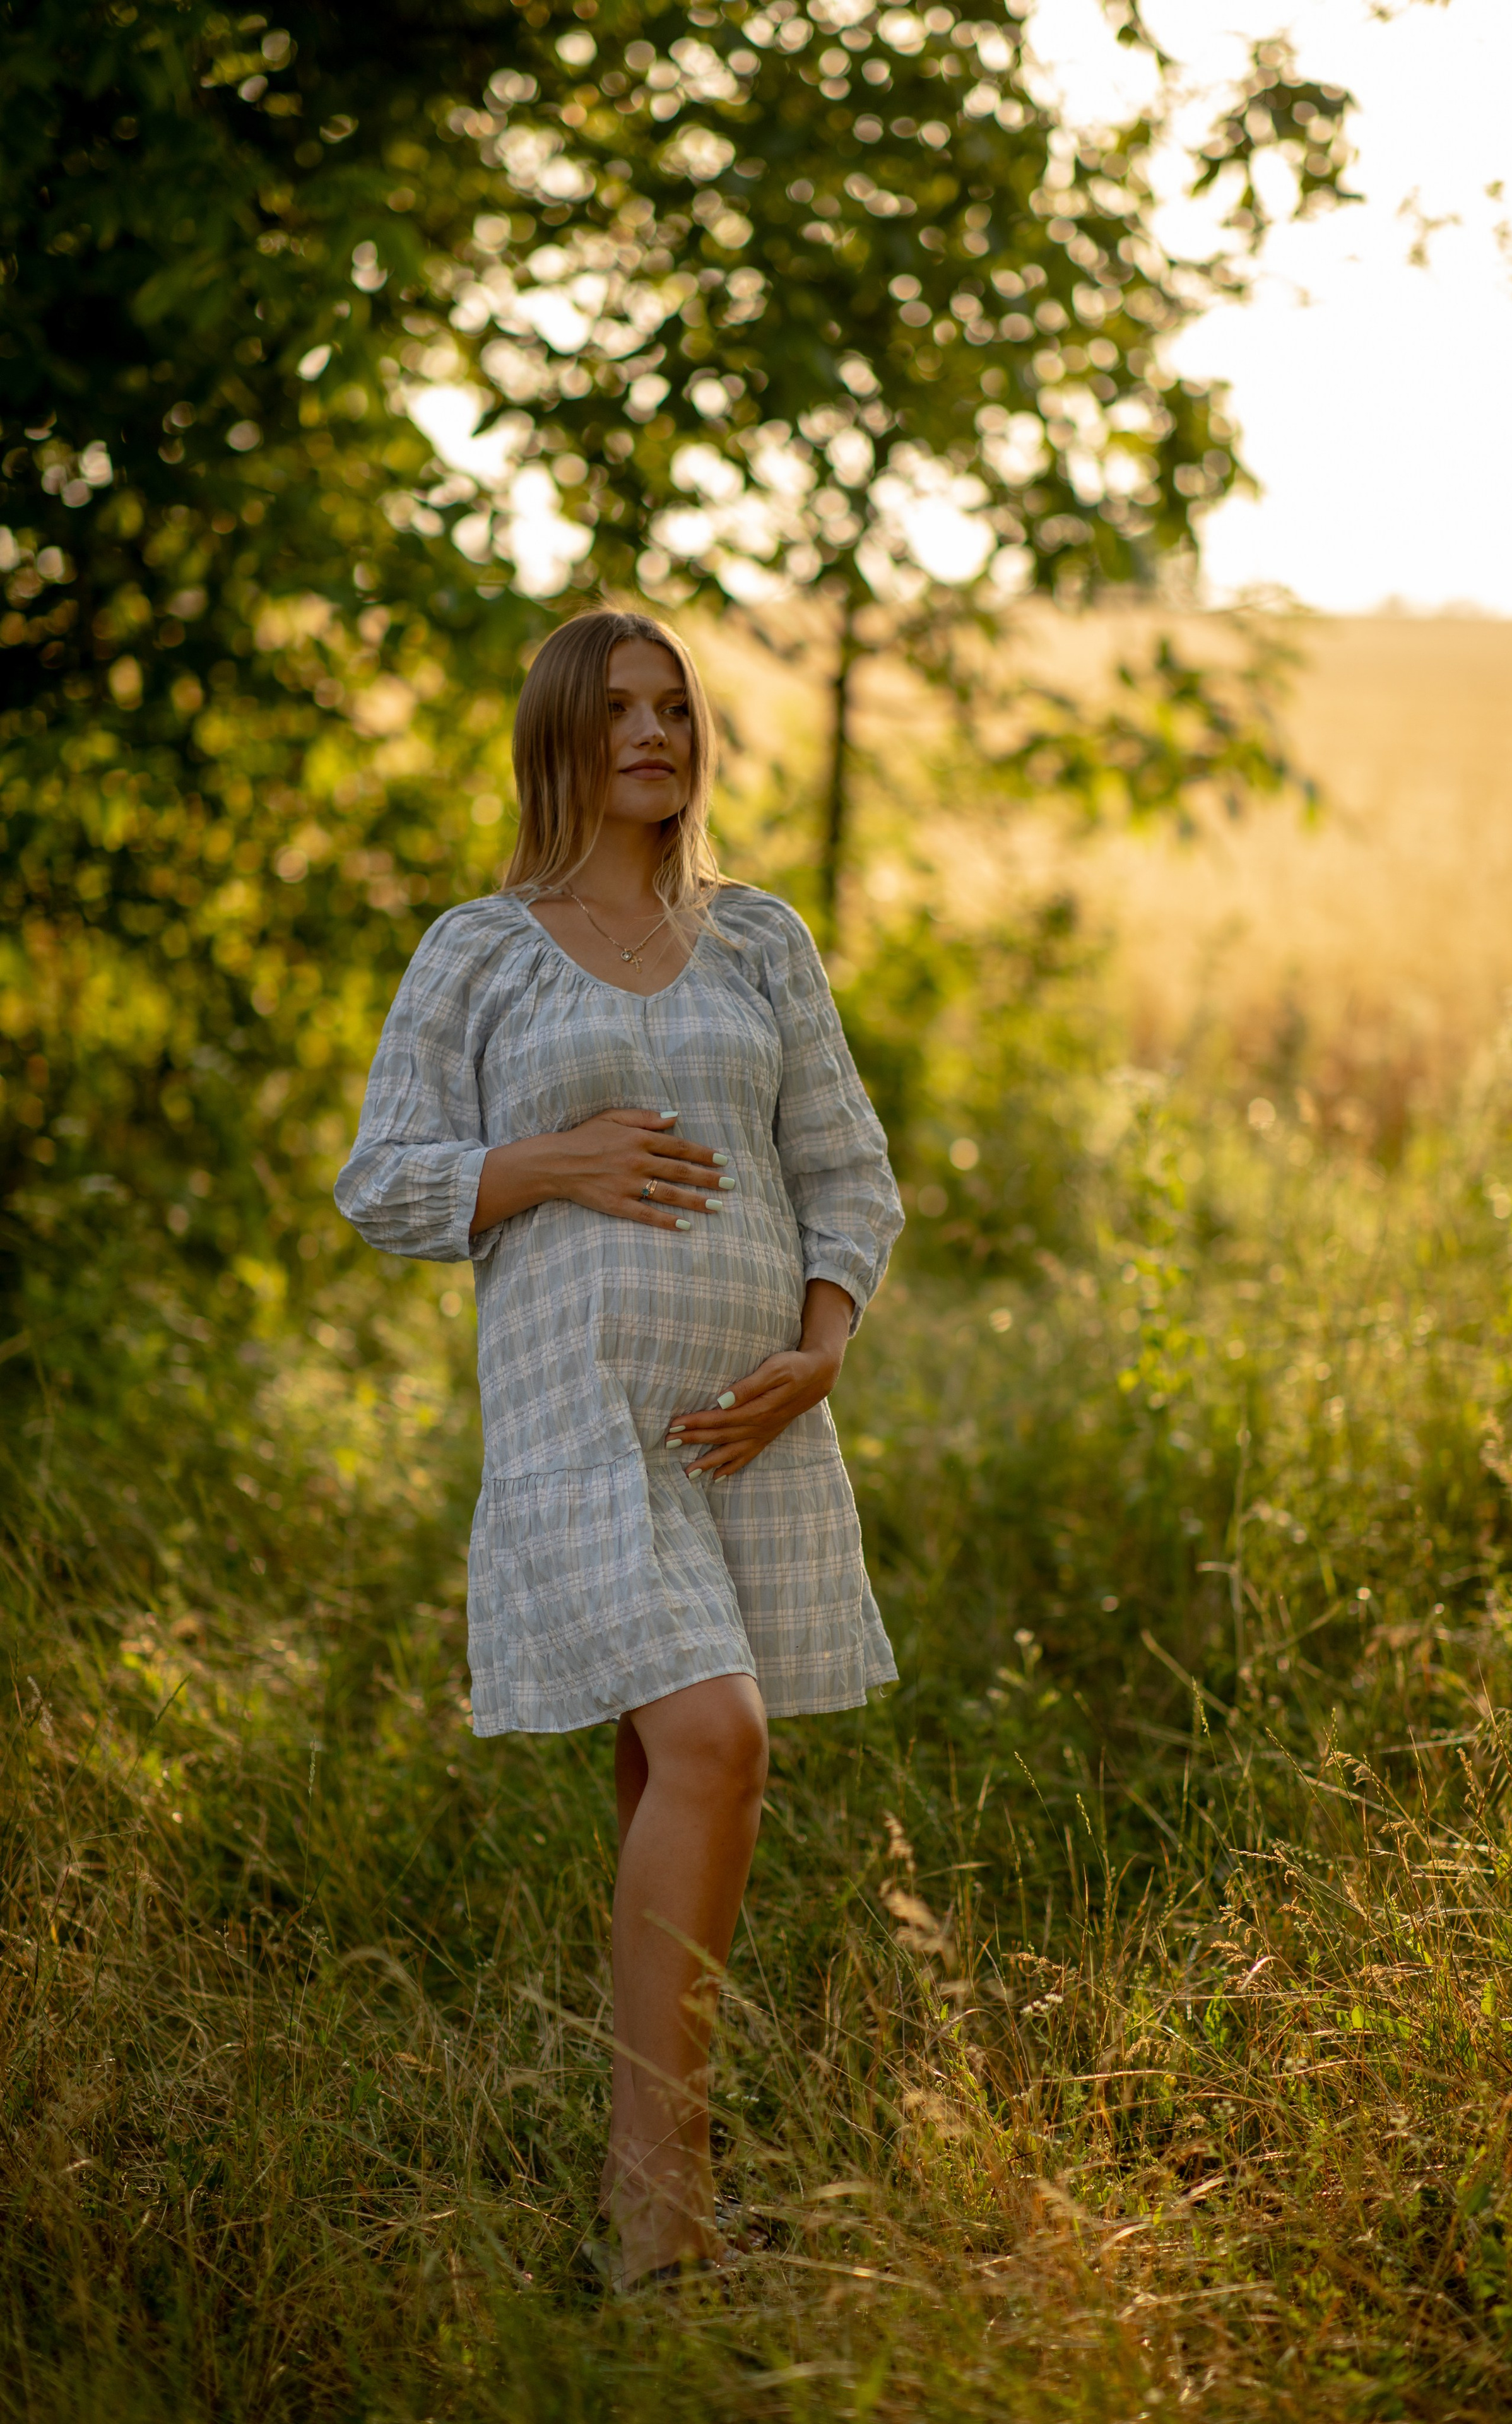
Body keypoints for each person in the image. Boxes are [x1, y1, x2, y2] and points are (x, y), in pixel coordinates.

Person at [334, 607, 903, 2287]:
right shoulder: (482, 949)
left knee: (680, 1766)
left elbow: (850, 1173)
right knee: (719, 1739)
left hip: (746, 1433)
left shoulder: (759, 943)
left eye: (676, 707)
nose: (652, 732)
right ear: (558, 739)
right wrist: (550, 1160)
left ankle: (655, 2207)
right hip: (584, 1429)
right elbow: (385, 1177)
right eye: (617, 709)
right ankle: (659, 2197)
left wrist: (817, 1351)